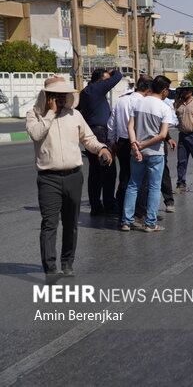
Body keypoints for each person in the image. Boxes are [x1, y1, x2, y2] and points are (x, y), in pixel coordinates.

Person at [26, 76, 112, 278]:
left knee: (70, 222)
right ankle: (50, 268)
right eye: (56, 95)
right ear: (46, 96)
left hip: (74, 176)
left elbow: (88, 138)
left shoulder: (75, 116)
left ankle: (67, 263)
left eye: (63, 95)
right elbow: (36, 134)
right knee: (49, 223)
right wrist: (50, 115)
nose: (60, 99)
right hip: (49, 178)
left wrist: (101, 149)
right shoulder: (34, 115)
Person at [121, 75, 173, 232]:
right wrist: (145, 144)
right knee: (154, 187)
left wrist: (136, 146)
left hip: (136, 152)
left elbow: (130, 127)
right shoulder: (164, 108)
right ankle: (150, 223)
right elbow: (163, 135)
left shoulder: (138, 102)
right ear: (164, 91)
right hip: (155, 153)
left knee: (133, 185)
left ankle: (126, 221)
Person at [77, 68, 122, 216]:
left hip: (90, 132)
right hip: (100, 134)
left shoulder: (85, 92)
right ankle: (109, 205)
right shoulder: (97, 88)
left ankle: (96, 206)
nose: (108, 82)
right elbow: (118, 77)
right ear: (100, 80)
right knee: (108, 170)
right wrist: (113, 71)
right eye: (106, 79)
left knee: (95, 172)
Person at [107, 75, 153, 215]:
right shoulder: (144, 103)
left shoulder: (121, 101)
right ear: (148, 90)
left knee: (125, 176)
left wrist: (112, 141)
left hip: (122, 143)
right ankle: (140, 213)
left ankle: (122, 211)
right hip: (139, 144)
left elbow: (111, 124)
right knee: (142, 180)